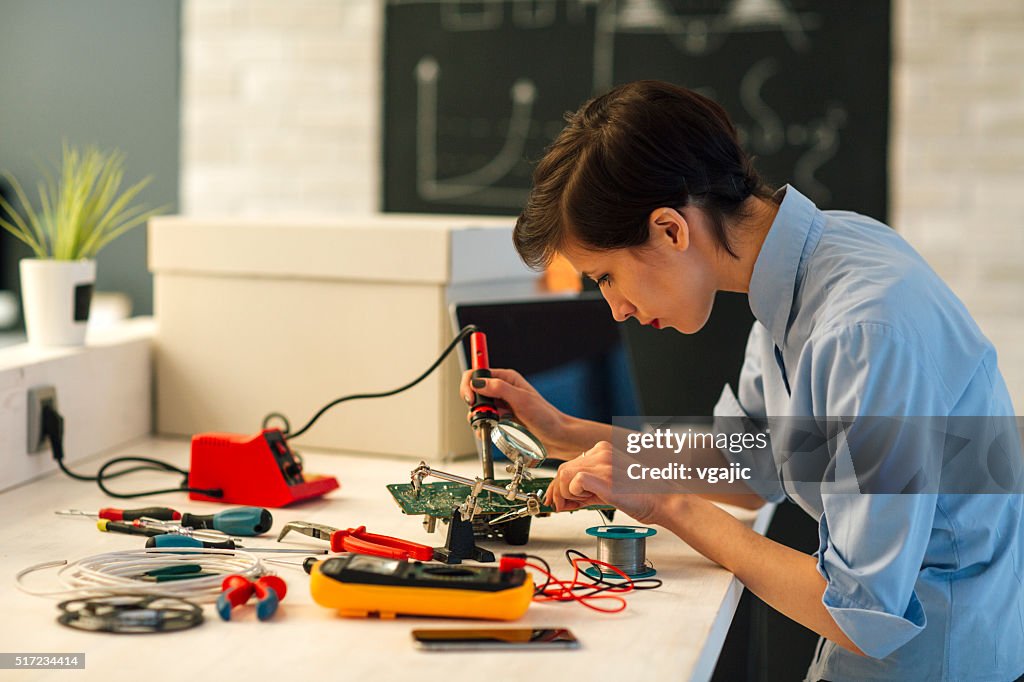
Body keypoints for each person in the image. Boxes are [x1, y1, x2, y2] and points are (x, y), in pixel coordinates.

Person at [460, 81, 1024, 681]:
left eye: (605, 277)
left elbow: (863, 614)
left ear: (671, 230)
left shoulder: (862, 329)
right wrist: (564, 433)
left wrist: (667, 505)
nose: (616, 308)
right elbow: (754, 462)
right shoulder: (811, 260)